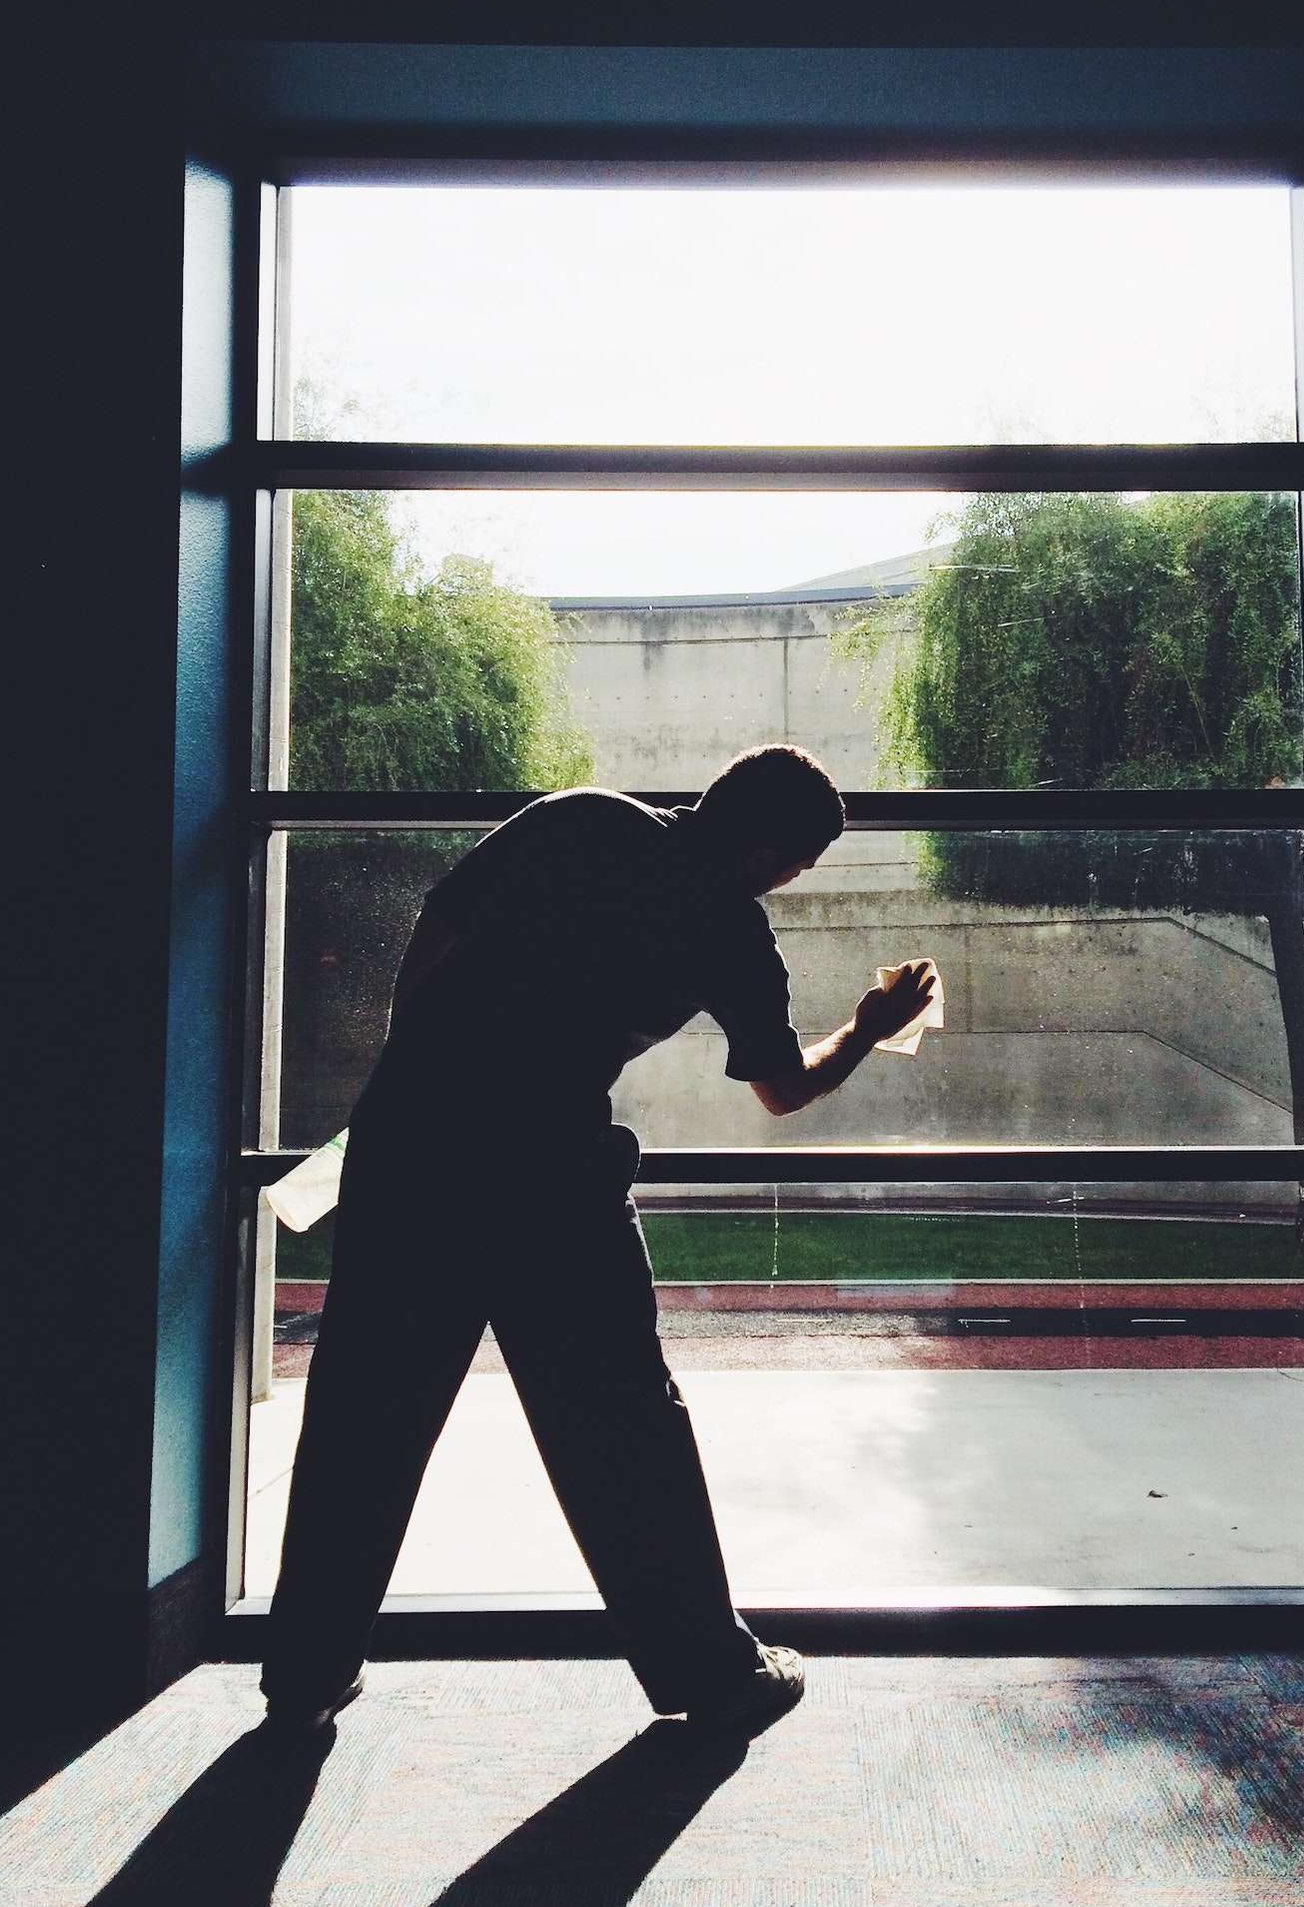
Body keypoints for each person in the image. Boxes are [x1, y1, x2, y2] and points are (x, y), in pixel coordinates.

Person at [260, 744, 939, 1738]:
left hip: (412, 1151)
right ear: (766, 855)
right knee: (622, 1423)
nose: (787, 885)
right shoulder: (730, 930)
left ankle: (304, 1674)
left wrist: (417, 1075)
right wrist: (873, 1026)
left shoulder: (582, 819)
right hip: (549, 1175)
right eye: (794, 869)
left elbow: (438, 926)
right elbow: (784, 1087)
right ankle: (711, 1672)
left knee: (365, 1413)